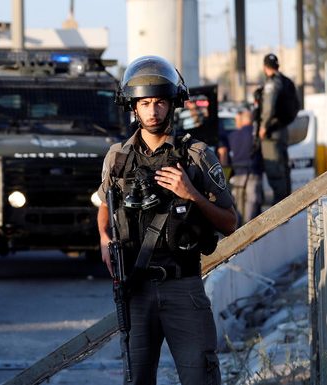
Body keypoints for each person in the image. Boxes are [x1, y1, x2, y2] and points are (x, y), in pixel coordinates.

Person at [96, 55, 237, 385]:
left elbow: (229, 222)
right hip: (136, 288)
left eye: (159, 102)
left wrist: (191, 194)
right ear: (133, 107)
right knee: (137, 379)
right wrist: (104, 238)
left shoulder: (196, 155)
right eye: (145, 103)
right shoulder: (118, 157)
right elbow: (104, 203)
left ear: (172, 104)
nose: (153, 111)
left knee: (200, 377)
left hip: (183, 287)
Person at [258, 53, 298, 205]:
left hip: (271, 134)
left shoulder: (272, 83)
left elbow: (268, 107)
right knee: (284, 169)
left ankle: (280, 208)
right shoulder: (287, 82)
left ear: (265, 67)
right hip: (282, 131)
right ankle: (288, 204)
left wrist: (263, 127)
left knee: (275, 171)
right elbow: (296, 106)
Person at [227, 107, 264, 222]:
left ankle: (239, 230)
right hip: (254, 173)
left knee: (238, 206)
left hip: (237, 174)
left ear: (241, 119)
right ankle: (251, 230)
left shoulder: (232, 136)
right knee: (252, 205)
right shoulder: (258, 134)